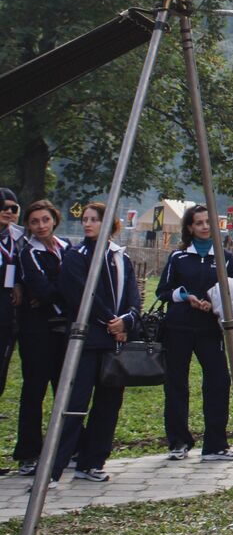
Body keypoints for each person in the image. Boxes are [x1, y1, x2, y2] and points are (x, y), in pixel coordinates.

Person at [49, 202, 141, 484]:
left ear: (108, 224)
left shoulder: (120, 257)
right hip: (88, 340)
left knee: (108, 403)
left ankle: (92, 462)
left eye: (94, 219)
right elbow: (79, 292)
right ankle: (54, 468)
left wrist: (127, 320)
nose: (87, 224)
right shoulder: (76, 255)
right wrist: (110, 321)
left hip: (114, 342)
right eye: (85, 219)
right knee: (75, 404)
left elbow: (133, 296)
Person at [156, 204, 233, 462]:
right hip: (179, 327)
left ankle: (215, 445)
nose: (205, 226)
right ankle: (178, 442)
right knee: (176, 384)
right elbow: (162, 291)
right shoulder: (178, 257)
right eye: (199, 223)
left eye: (208, 221)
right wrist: (185, 296)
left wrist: (214, 303)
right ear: (190, 228)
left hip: (210, 329)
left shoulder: (225, 257)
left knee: (218, 382)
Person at [13, 199, 68, 476]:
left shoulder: (67, 248)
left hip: (66, 328)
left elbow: (78, 281)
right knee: (34, 390)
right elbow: (42, 290)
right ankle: (28, 453)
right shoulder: (28, 253)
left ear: (54, 220)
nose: (40, 226)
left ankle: (68, 447)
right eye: (34, 222)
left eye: (45, 220)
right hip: (37, 330)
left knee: (65, 388)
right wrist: (63, 289)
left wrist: (57, 289)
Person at [0, 188, 21, 400]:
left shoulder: (20, 237)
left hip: (7, 309)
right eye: (3, 207)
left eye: (12, 208)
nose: (7, 211)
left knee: (3, 358)